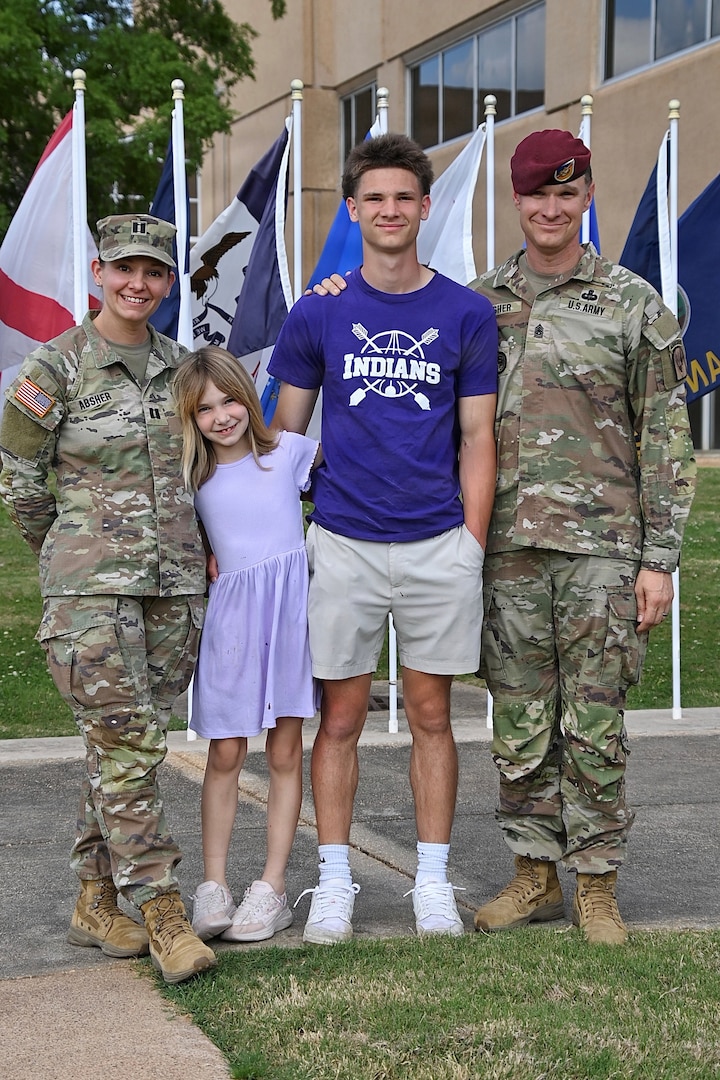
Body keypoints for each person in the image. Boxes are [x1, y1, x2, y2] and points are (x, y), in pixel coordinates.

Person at [268, 133, 499, 944]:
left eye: (405, 197)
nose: (391, 210)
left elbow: (477, 437)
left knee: (433, 715)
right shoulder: (321, 309)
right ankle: (334, 882)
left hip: (437, 541)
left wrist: (470, 541)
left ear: (425, 207)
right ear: (354, 208)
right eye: (376, 198)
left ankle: (430, 884)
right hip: (344, 540)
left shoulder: (467, 313)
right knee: (340, 718)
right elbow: (284, 439)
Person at [468, 129, 697, 944]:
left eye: (567, 193)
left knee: (594, 721)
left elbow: (665, 438)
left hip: (604, 549)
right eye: (537, 194)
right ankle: (534, 875)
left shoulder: (634, 305)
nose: (551, 208)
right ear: (518, 200)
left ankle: (596, 881)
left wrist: (658, 561)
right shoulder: (477, 302)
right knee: (520, 717)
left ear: (588, 196)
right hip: (505, 549)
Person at [0, 214, 217, 983]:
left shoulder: (184, 368)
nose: (139, 284)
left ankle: (94, 900)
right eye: (125, 268)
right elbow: (22, 482)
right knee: (127, 748)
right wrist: (67, 555)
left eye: (154, 272)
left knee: (126, 748)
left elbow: (214, 466)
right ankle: (162, 914)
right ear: (99, 272)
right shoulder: (54, 367)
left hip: (173, 590)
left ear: (167, 282)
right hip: (90, 592)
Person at [172, 346, 319, 943]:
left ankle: (273, 886)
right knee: (225, 755)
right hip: (231, 625)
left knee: (286, 753)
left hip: (289, 620)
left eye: (230, 399)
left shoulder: (286, 453)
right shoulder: (194, 478)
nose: (222, 415)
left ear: (249, 397)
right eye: (204, 409)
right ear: (191, 419)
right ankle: (214, 885)